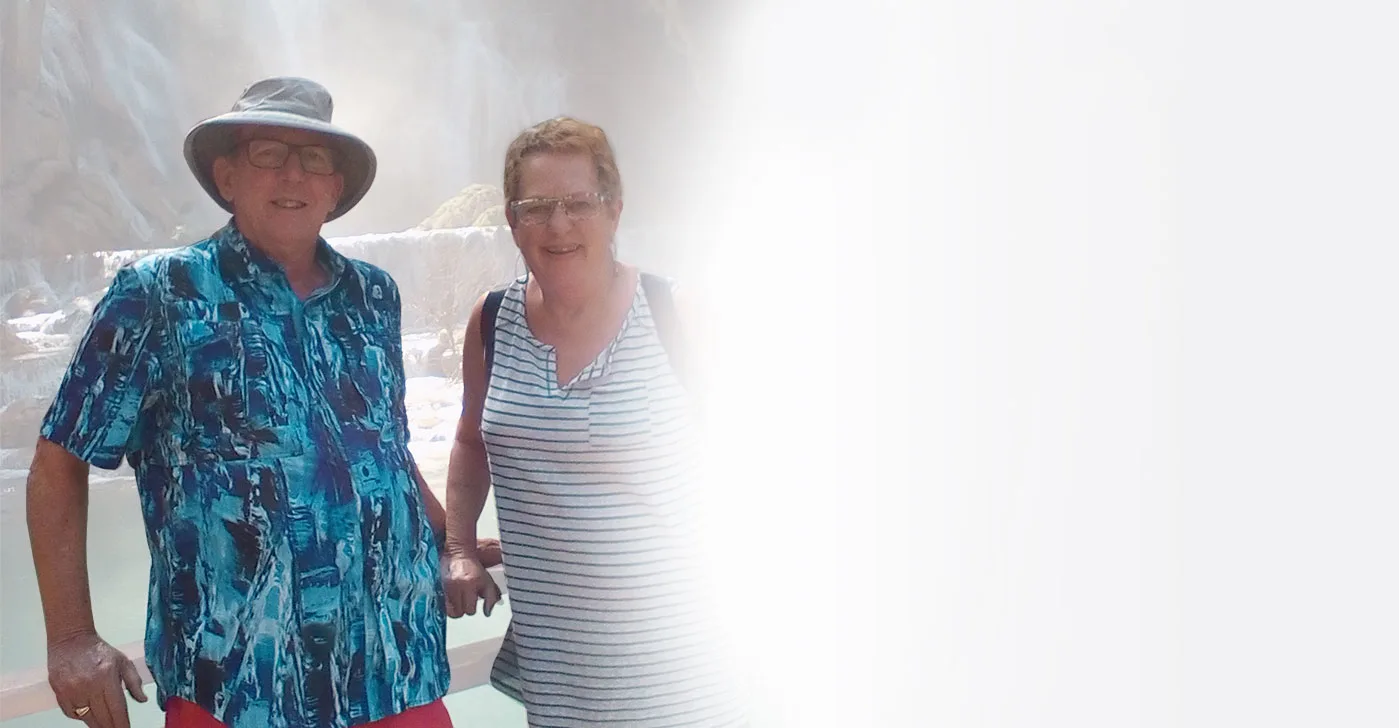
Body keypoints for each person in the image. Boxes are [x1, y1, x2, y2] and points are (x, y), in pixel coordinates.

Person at [26, 77, 454, 728]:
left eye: (314, 158)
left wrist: (451, 545)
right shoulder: (159, 295)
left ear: (335, 187)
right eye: (268, 153)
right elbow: (59, 460)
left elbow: (381, 445)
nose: (293, 173)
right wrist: (70, 637)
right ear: (226, 175)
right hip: (242, 685)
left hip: (394, 663)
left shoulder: (374, 295)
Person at [440, 117, 747, 726]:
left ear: (614, 211)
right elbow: (471, 442)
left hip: (683, 673)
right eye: (537, 206)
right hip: (557, 685)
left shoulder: (676, 314)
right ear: (511, 219)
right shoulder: (492, 320)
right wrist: (460, 547)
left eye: (579, 203)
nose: (558, 224)